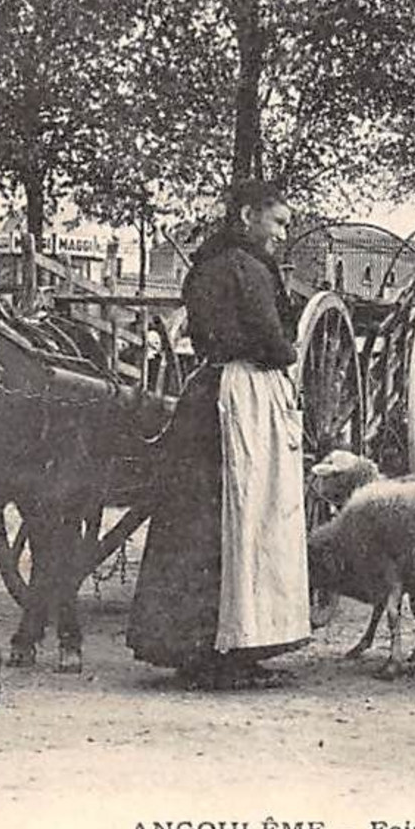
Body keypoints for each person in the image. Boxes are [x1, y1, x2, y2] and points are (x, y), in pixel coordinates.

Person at [128, 178, 310, 689]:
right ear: (248, 215)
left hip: (207, 395)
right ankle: (233, 649)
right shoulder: (247, 269)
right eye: (277, 222)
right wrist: (289, 354)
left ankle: (196, 647)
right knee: (246, 519)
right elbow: (273, 341)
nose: (280, 233)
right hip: (242, 399)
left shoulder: (207, 265)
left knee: (197, 522)